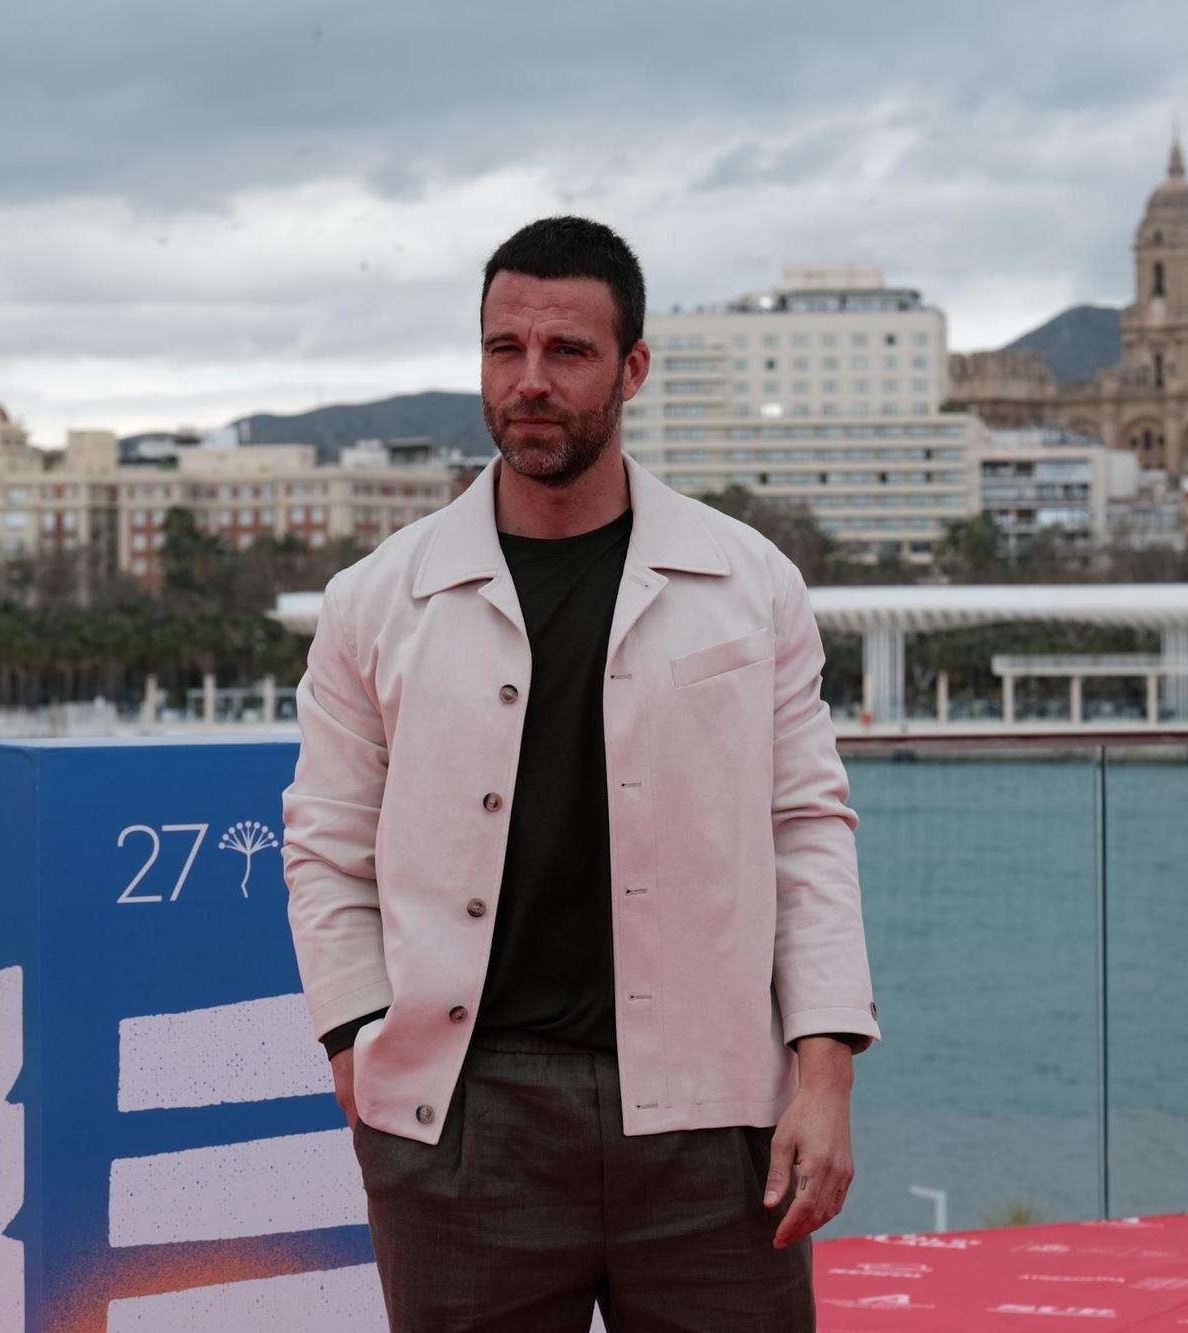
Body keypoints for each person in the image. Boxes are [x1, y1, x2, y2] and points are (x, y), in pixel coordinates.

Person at [282, 215, 879, 1331]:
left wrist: (825, 1071)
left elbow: (804, 828)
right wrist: (355, 1038)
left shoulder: (750, 583)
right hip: (465, 1119)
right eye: (504, 349)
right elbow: (325, 842)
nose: (531, 381)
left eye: (567, 351)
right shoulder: (375, 600)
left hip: (714, 1117)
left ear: (632, 368)